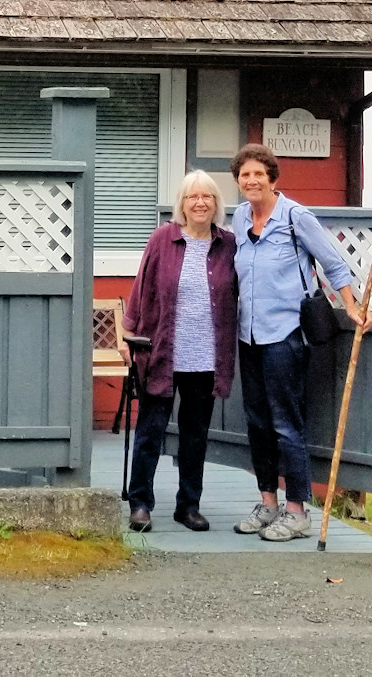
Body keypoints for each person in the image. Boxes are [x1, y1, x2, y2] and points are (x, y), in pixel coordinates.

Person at [228, 143, 371, 541]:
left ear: (272, 178)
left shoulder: (295, 217)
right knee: (256, 423)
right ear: (238, 181)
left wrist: (352, 306)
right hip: (248, 335)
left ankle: (297, 510)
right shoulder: (240, 218)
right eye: (245, 175)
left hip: (285, 335)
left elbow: (333, 262)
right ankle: (268, 503)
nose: (252, 180)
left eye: (259, 173)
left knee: (286, 424)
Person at [122, 170, 239, 533]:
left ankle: (188, 505)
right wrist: (127, 332)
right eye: (193, 197)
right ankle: (140, 503)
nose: (200, 203)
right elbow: (142, 287)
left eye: (208, 197)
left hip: (206, 357)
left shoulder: (228, 245)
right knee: (150, 431)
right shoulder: (163, 238)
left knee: (194, 435)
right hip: (162, 352)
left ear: (216, 204)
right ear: (183, 204)